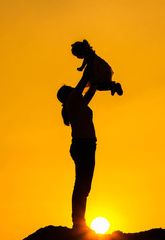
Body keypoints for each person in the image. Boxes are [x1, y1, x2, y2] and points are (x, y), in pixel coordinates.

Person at [57, 64, 98, 233]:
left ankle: (79, 221)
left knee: (84, 186)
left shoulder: (78, 104)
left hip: (87, 145)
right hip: (83, 146)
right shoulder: (73, 101)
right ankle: (78, 222)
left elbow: (90, 91)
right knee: (82, 185)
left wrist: (98, 81)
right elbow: (83, 82)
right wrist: (91, 60)